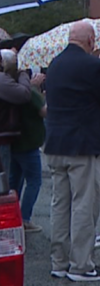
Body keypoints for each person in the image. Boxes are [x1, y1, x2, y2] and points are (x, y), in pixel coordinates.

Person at [44, 21, 100, 282]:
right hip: (83, 144)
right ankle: (81, 265)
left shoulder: (54, 65)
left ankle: (59, 261)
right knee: (84, 205)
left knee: (60, 204)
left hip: (56, 142)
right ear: (90, 40)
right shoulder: (95, 66)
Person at [10, 70, 47, 233]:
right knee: (34, 181)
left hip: (14, 141)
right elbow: (44, 111)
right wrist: (37, 90)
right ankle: (25, 218)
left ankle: (11, 215)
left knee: (14, 182)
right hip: (29, 144)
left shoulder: (11, 91)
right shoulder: (30, 92)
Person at [0, 49, 33, 184]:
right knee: (3, 180)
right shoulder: (2, 80)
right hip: (2, 136)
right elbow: (24, 95)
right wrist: (23, 74)